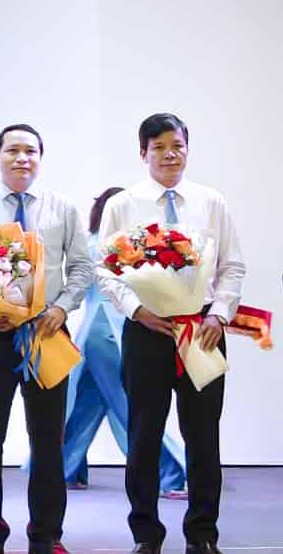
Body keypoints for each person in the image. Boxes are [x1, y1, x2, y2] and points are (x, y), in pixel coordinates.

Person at [98, 113, 245, 554]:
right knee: (143, 436)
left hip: (201, 331)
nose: (169, 154)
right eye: (158, 146)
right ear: (143, 153)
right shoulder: (123, 204)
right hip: (147, 331)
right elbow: (105, 268)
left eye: (177, 145)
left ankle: (203, 537)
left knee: (204, 438)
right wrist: (137, 310)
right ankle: (146, 537)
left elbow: (232, 266)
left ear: (188, 149)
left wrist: (219, 315)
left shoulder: (211, 201)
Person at [0, 124, 92, 554]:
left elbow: (83, 268)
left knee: (48, 439)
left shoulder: (63, 208)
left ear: (40, 158)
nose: (22, 158)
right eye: (12, 150)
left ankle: (47, 535)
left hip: (46, 333)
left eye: (30, 151)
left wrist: (63, 308)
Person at [57, 187, 186, 494]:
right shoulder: (117, 248)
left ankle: (64, 468)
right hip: (111, 333)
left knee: (85, 404)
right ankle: (173, 473)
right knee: (131, 406)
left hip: (91, 332)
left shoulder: (94, 244)